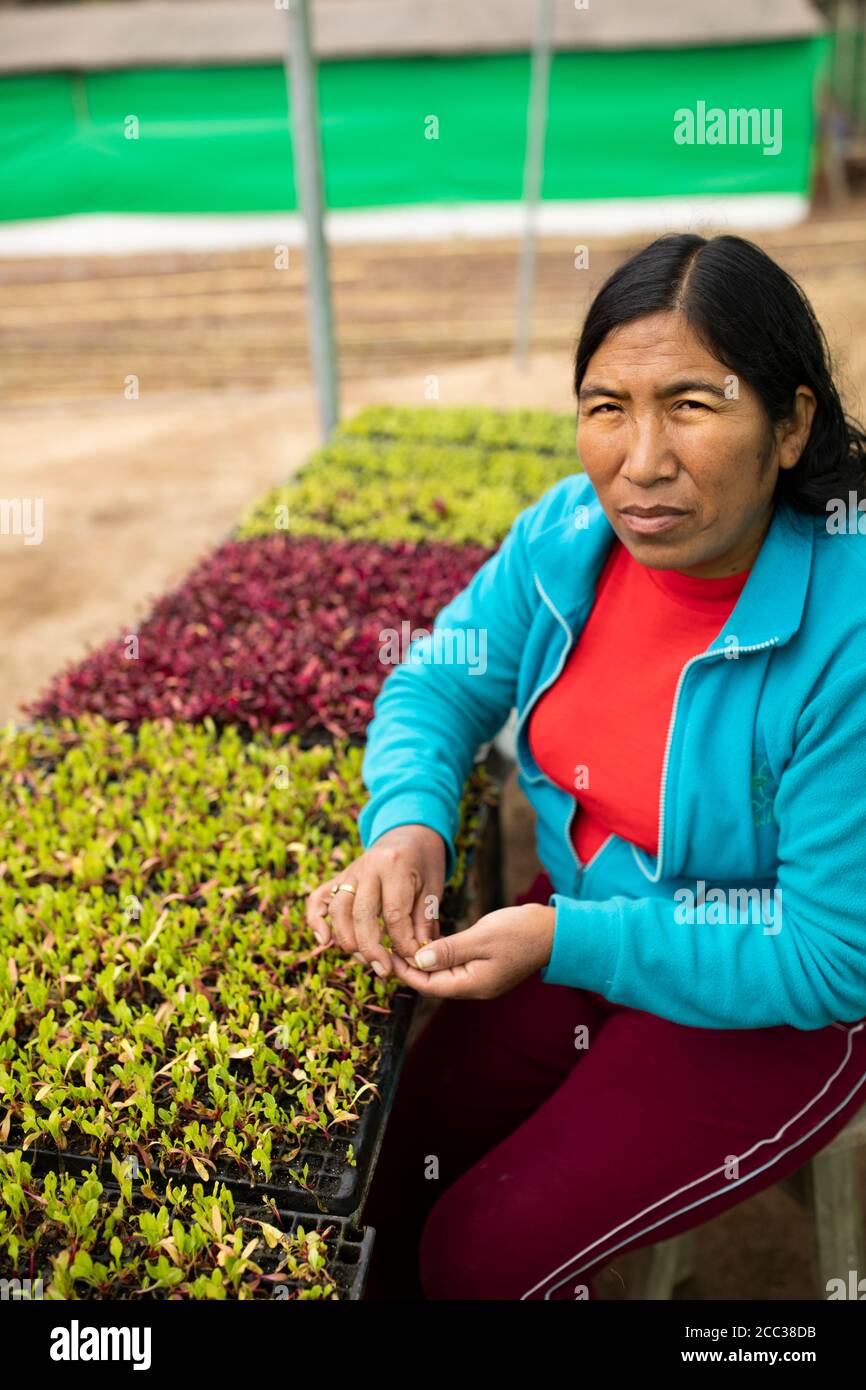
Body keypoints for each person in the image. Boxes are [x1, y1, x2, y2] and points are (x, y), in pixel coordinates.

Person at [306, 233, 866, 1301]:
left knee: (478, 1255)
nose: (639, 458)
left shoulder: (841, 632)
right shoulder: (565, 535)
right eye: (605, 405)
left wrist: (569, 939)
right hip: (579, 920)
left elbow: (827, 954)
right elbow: (437, 685)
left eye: (692, 406)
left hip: (774, 1013)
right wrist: (410, 820)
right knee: (393, 1167)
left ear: (790, 423)